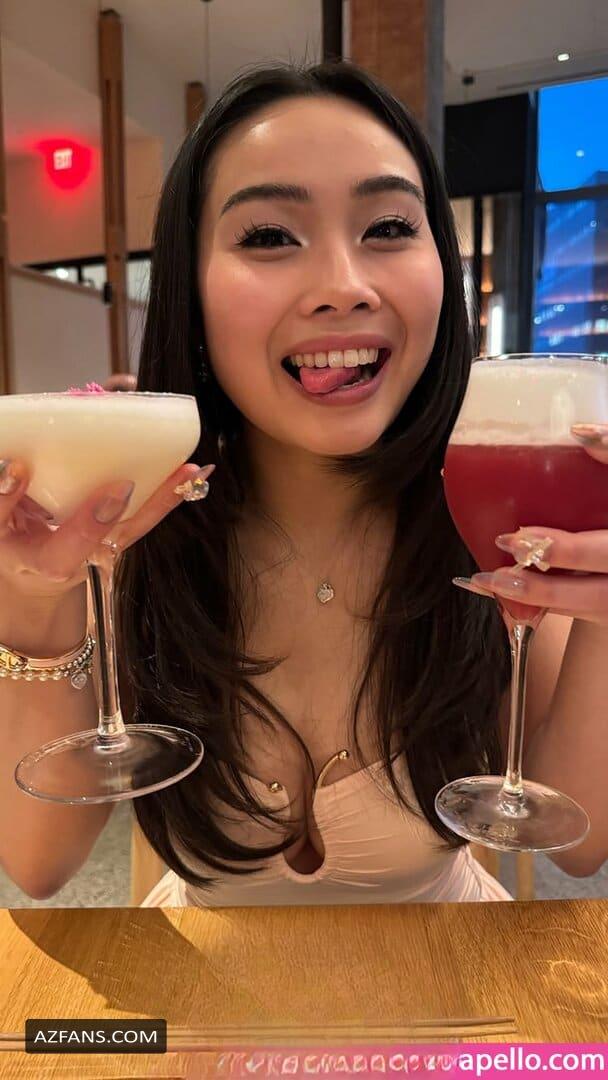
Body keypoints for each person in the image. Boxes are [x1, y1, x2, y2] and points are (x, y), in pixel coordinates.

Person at [2, 61, 608, 907]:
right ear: (190, 290)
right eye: (268, 237)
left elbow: (581, 841)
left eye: (388, 226)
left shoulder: (490, 515)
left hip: (453, 976)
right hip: (204, 979)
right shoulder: (135, 525)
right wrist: (33, 600)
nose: (343, 288)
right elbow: (38, 865)